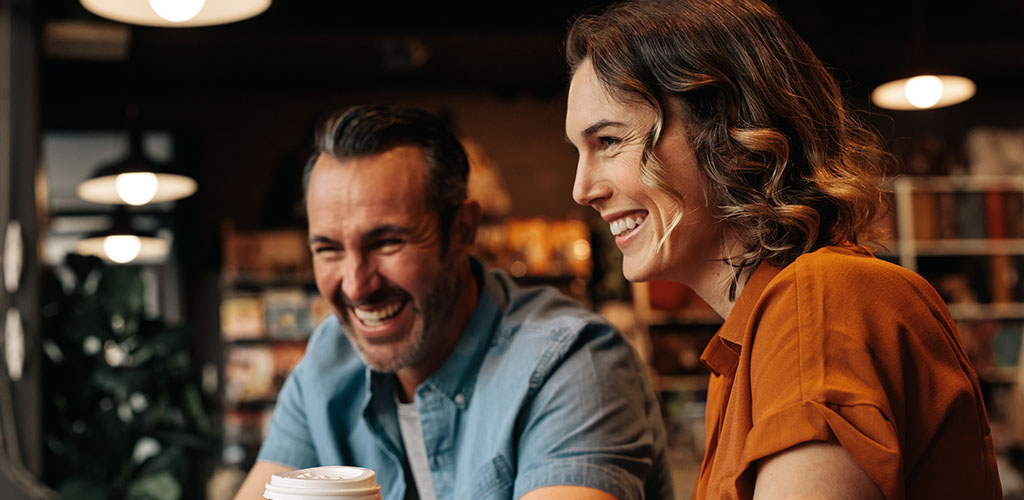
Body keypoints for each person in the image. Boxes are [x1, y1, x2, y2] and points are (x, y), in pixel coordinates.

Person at [564, 1, 1001, 499]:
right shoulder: (744, 351)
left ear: (727, 132)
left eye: (609, 140)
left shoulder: (818, 300)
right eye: (578, 150)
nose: (582, 188)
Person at [234, 105, 675, 500]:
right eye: (328, 249)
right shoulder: (329, 360)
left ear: (463, 231)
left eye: (387, 242)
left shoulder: (571, 364)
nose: (356, 286)